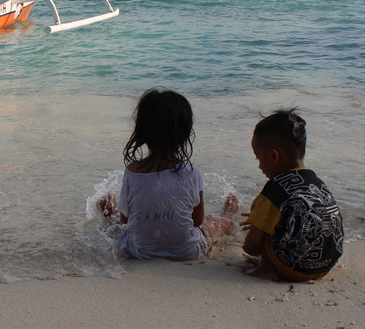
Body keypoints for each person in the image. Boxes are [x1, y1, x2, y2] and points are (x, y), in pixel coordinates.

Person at [98, 87, 239, 260]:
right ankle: (230, 211)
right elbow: (196, 221)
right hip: (186, 251)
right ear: (185, 134)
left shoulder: (132, 172)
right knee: (211, 225)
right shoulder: (192, 172)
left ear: (142, 133)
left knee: (119, 228)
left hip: (137, 251)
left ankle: (108, 208)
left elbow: (126, 220)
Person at [242, 108, 344, 281]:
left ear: (273, 155)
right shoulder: (317, 183)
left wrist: (256, 227)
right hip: (327, 263)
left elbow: (250, 248)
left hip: (294, 268)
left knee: (259, 204)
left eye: (258, 158)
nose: (259, 166)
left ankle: (267, 268)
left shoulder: (275, 188)